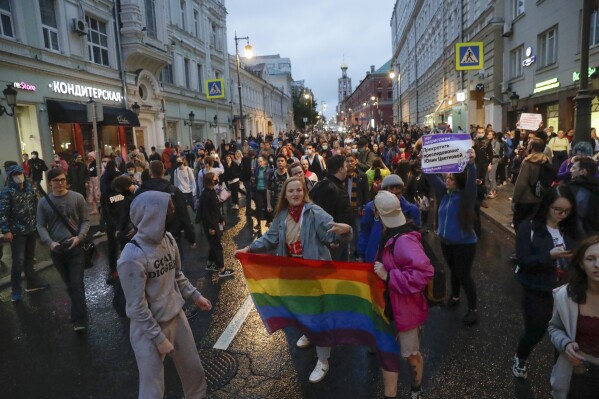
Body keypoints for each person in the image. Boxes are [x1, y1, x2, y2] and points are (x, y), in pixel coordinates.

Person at [236, 176, 352, 384]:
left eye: (299, 190)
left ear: (304, 192)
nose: (296, 194)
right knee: (300, 310)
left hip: (315, 275)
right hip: (293, 276)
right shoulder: (282, 216)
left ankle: (323, 360)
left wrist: (345, 232)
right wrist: (250, 248)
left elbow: (332, 235)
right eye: (291, 191)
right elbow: (270, 238)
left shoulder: (314, 212)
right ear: (285, 195)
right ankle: (307, 334)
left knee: (318, 317)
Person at [117, 191, 212, 399]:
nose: (172, 211)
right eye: (166, 208)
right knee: (152, 387)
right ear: (151, 214)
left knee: (192, 369)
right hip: (148, 330)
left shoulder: (168, 239)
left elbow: (177, 275)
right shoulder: (131, 256)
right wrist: (158, 338)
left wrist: (195, 296)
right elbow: (136, 307)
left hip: (176, 316)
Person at [512, 185, 579, 380]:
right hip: (537, 289)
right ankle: (520, 357)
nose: (562, 214)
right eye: (557, 209)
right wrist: (548, 256)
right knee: (536, 329)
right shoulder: (529, 228)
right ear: (547, 206)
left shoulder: (569, 229)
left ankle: (561, 370)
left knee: (567, 331)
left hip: (566, 289)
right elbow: (524, 261)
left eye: (567, 211)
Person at [372, 191, 434, 399]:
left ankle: (416, 389)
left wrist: (389, 276)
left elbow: (424, 273)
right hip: (392, 307)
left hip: (406, 311)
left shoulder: (404, 240)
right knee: (390, 352)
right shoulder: (390, 232)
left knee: (411, 354)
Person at [425, 150, 479, 325]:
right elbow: (432, 177)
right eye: (447, 177)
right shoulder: (444, 193)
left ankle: (473, 309)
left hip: (465, 244)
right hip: (446, 242)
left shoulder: (466, 196)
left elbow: (471, 182)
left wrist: (471, 164)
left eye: (451, 179)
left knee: (464, 275)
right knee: (453, 271)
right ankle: (455, 297)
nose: (447, 180)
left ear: (459, 182)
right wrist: (426, 159)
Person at [36, 167, 90, 331]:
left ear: (66, 180)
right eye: (56, 180)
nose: (60, 183)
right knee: (69, 284)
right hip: (57, 250)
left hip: (75, 247)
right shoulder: (43, 202)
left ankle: (79, 319)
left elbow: (86, 221)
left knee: (76, 283)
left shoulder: (77, 198)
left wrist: (79, 237)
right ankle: (80, 308)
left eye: (62, 180)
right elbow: (40, 225)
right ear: (50, 182)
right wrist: (50, 242)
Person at [548, 235, 599, 399]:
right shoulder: (566, 296)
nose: (598, 265)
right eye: (591, 259)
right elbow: (554, 327)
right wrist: (566, 343)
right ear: (581, 264)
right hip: (578, 376)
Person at [0, 165, 49, 302]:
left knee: (29, 258)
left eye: (20, 173)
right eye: (15, 174)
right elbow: (2, 213)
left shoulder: (29, 189)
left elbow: (36, 207)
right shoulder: (6, 192)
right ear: (10, 177)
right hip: (16, 232)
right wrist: (6, 230)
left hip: (31, 229)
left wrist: (40, 224)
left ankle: (32, 283)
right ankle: (16, 289)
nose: (18, 176)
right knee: (18, 261)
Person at [358, 174, 421, 262]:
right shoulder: (371, 207)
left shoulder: (412, 210)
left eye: (397, 194)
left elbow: (415, 236)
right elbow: (365, 231)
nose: (394, 197)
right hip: (373, 254)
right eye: (391, 194)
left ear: (402, 191)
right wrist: (361, 254)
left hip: (398, 258)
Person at [309, 155, 353, 261]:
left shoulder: (320, 184)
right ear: (340, 169)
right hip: (333, 240)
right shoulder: (332, 189)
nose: (347, 169)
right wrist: (335, 239)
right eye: (346, 167)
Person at [512, 137, 553, 232]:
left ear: (531, 147)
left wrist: (515, 200)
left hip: (526, 198)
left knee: (520, 224)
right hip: (540, 197)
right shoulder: (546, 160)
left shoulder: (528, 161)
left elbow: (521, 183)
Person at [199, 172, 234, 278]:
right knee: (217, 246)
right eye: (215, 178)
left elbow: (216, 208)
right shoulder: (206, 194)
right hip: (211, 224)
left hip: (215, 222)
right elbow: (206, 213)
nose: (217, 179)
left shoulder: (211, 191)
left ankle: (209, 264)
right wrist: (211, 227)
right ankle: (222, 269)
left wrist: (221, 219)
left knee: (214, 243)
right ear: (210, 180)